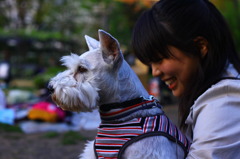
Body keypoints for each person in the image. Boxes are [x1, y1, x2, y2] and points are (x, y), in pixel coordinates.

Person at [131, 0, 240, 158]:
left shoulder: (223, 105)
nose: (155, 72)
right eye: (151, 63)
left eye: (160, 59)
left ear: (200, 47)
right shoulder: (215, 95)